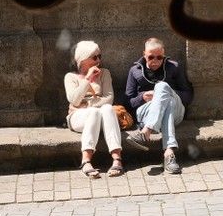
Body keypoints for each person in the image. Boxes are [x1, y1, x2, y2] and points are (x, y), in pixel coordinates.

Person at [124, 37, 193, 174]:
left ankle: (146, 131)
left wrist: (164, 94)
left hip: (176, 111)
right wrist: (142, 97)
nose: (155, 61)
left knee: (162, 87)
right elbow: (128, 101)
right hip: (147, 111)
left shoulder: (173, 67)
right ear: (144, 54)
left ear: (164, 55)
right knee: (167, 102)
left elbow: (187, 96)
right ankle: (169, 154)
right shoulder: (135, 70)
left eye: (159, 57)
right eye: (151, 57)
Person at [64, 41, 125, 178]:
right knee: (94, 111)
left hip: (100, 115)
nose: (99, 60)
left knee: (108, 108)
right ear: (82, 59)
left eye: (99, 56)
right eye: (94, 57)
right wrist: (87, 78)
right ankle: (86, 161)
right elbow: (74, 100)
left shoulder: (104, 73)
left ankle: (117, 159)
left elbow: (108, 98)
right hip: (78, 117)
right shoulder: (70, 77)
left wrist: (86, 104)